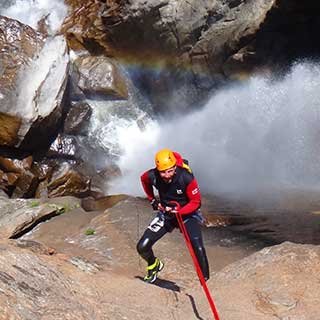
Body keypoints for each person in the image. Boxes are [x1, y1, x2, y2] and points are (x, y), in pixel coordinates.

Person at [137, 149, 210, 284]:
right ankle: (154, 264)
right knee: (142, 246)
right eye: (163, 172)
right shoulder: (153, 176)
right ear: (158, 170)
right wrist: (152, 199)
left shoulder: (185, 177)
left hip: (188, 215)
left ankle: (206, 280)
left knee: (197, 245)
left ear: (175, 167)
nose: (167, 175)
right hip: (166, 215)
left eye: (170, 170)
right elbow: (143, 179)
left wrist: (180, 212)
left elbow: (196, 202)